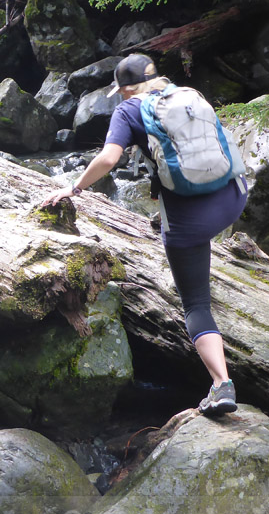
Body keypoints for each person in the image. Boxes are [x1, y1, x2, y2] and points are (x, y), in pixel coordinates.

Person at [41, 53, 247, 416]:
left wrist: (74, 187)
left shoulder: (128, 110)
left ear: (126, 89)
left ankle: (222, 385)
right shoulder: (185, 96)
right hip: (234, 197)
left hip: (188, 225)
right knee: (196, 241)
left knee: (196, 305)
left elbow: (109, 159)